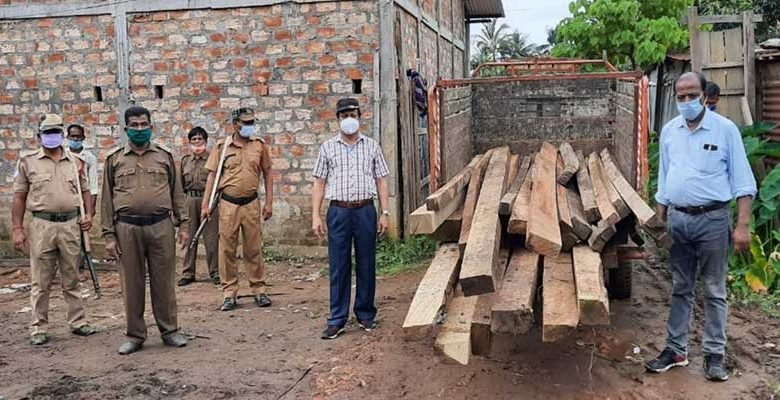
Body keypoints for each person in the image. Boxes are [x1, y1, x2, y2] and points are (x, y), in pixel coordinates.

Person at [646, 72, 757, 381]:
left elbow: (743, 182)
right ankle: (675, 350)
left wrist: (743, 225)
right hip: (678, 220)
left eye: (692, 95)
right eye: (680, 97)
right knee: (680, 287)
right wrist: (660, 216)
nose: (686, 101)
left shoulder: (725, 130)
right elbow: (665, 178)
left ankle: (714, 355)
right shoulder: (670, 131)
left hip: (713, 221)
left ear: (705, 95)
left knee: (714, 289)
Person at [101, 106, 190, 355]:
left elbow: (177, 193)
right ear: (126, 128)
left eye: (143, 125)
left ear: (151, 127)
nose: (139, 129)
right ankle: (135, 335)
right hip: (127, 229)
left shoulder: (164, 157)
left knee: (164, 282)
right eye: (134, 125)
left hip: (161, 227)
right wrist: (109, 235)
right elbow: (106, 200)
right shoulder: (114, 160)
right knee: (132, 284)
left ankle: (170, 331)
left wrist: (184, 225)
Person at [12, 114, 97, 345]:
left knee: (72, 277)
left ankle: (78, 322)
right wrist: (17, 228)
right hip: (42, 225)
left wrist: (88, 215)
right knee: (41, 281)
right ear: (39, 136)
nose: (52, 136)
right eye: (47, 132)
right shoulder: (28, 162)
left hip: (70, 225)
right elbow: (19, 197)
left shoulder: (75, 162)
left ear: (62, 135)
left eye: (56, 132)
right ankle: (38, 327)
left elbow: (86, 191)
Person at [311, 98, 390, 340]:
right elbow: (319, 182)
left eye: (352, 115)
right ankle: (337, 319)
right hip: (339, 212)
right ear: (337, 119)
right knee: (339, 265)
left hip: (365, 210)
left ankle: (365, 313)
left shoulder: (372, 146)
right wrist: (315, 215)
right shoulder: (328, 148)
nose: (349, 119)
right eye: (344, 115)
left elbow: (381, 180)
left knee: (367, 262)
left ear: (359, 117)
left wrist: (385, 212)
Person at [201, 107, 274, 311]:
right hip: (228, 205)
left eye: (252, 122)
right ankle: (229, 293)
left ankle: (259, 289)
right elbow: (212, 176)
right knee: (227, 250)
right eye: (246, 123)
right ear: (235, 125)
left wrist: (269, 202)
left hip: (251, 204)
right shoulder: (222, 147)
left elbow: (268, 173)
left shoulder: (259, 146)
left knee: (253, 248)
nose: (250, 126)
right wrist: (205, 205)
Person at [178, 127, 220, 287]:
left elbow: (217, 182)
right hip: (190, 201)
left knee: (211, 238)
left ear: (205, 141)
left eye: (200, 139)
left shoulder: (212, 159)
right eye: (194, 139)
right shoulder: (185, 161)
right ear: (189, 142)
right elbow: (181, 186)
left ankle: (215, 272)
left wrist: (211, 202)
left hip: (208, 202)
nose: (197, 142)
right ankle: (188, 272)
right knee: (189, 237)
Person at [66, 124, 98, 217]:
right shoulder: (64, 155)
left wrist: (91, 208)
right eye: (72, 136)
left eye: (78, 136)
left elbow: (93, 185)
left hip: (84, 198)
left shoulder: (90, 158)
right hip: (68, 199)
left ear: (83, 138)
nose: (75, 139)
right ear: (68, 137)